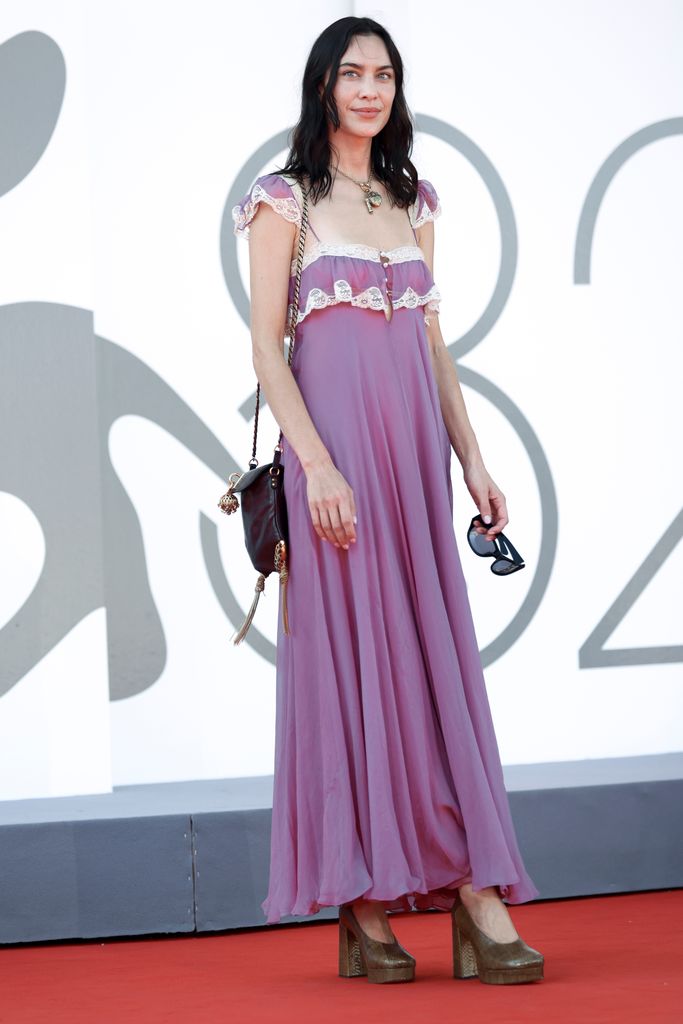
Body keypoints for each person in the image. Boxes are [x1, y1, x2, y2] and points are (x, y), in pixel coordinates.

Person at [232, 15, 544, 985]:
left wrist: (473, 459)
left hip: (411, 461)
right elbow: (266, 349)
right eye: (351, 72)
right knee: (349, 670)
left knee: (429, 662)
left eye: (383, 74)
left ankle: (470, 890)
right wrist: (317, 465)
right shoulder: (283, 199)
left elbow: (432, 349)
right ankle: (363, 901)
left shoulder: (413, 198)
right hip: (337, 468)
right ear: (322, 84)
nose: (368, 88)